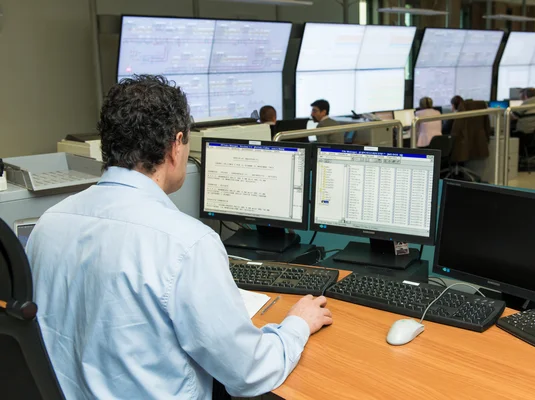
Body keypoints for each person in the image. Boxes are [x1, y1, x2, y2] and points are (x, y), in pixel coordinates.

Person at [26, 75, 333, 400]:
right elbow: (248, 372)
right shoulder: (185, 243)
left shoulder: (49, 224)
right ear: (175, 145)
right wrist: (297, 324)